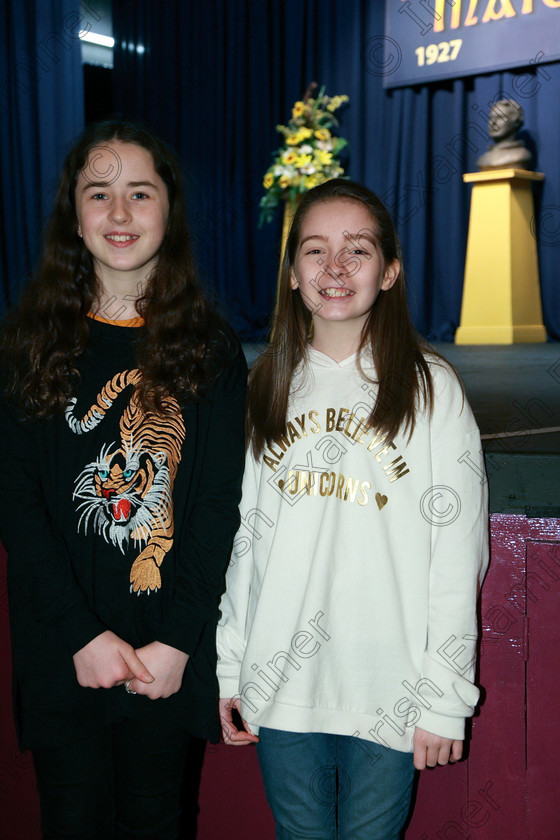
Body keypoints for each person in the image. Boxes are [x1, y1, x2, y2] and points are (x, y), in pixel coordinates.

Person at [216, 180, 488, 839]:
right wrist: (233, 663)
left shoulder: (431, 387)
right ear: (290, 274)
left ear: (389, 270)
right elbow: (245, 538)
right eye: (315, 250)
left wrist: (446, 699)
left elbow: (458, 554)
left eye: (357, 250)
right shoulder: (266, 384)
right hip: (282, 685)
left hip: (387, 690)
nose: (335, 268)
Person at [0, 120, 246, 839]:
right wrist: (81, 634)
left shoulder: (209, 347)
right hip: (62, 650)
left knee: (156, 822)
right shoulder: (28, 344)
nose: (118, 213)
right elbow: (17, 505)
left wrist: (176, 642)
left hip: (164, 655)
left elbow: (215, 506)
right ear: (73, 217)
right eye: (98, 193)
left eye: (139, 193)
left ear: (167, 211)